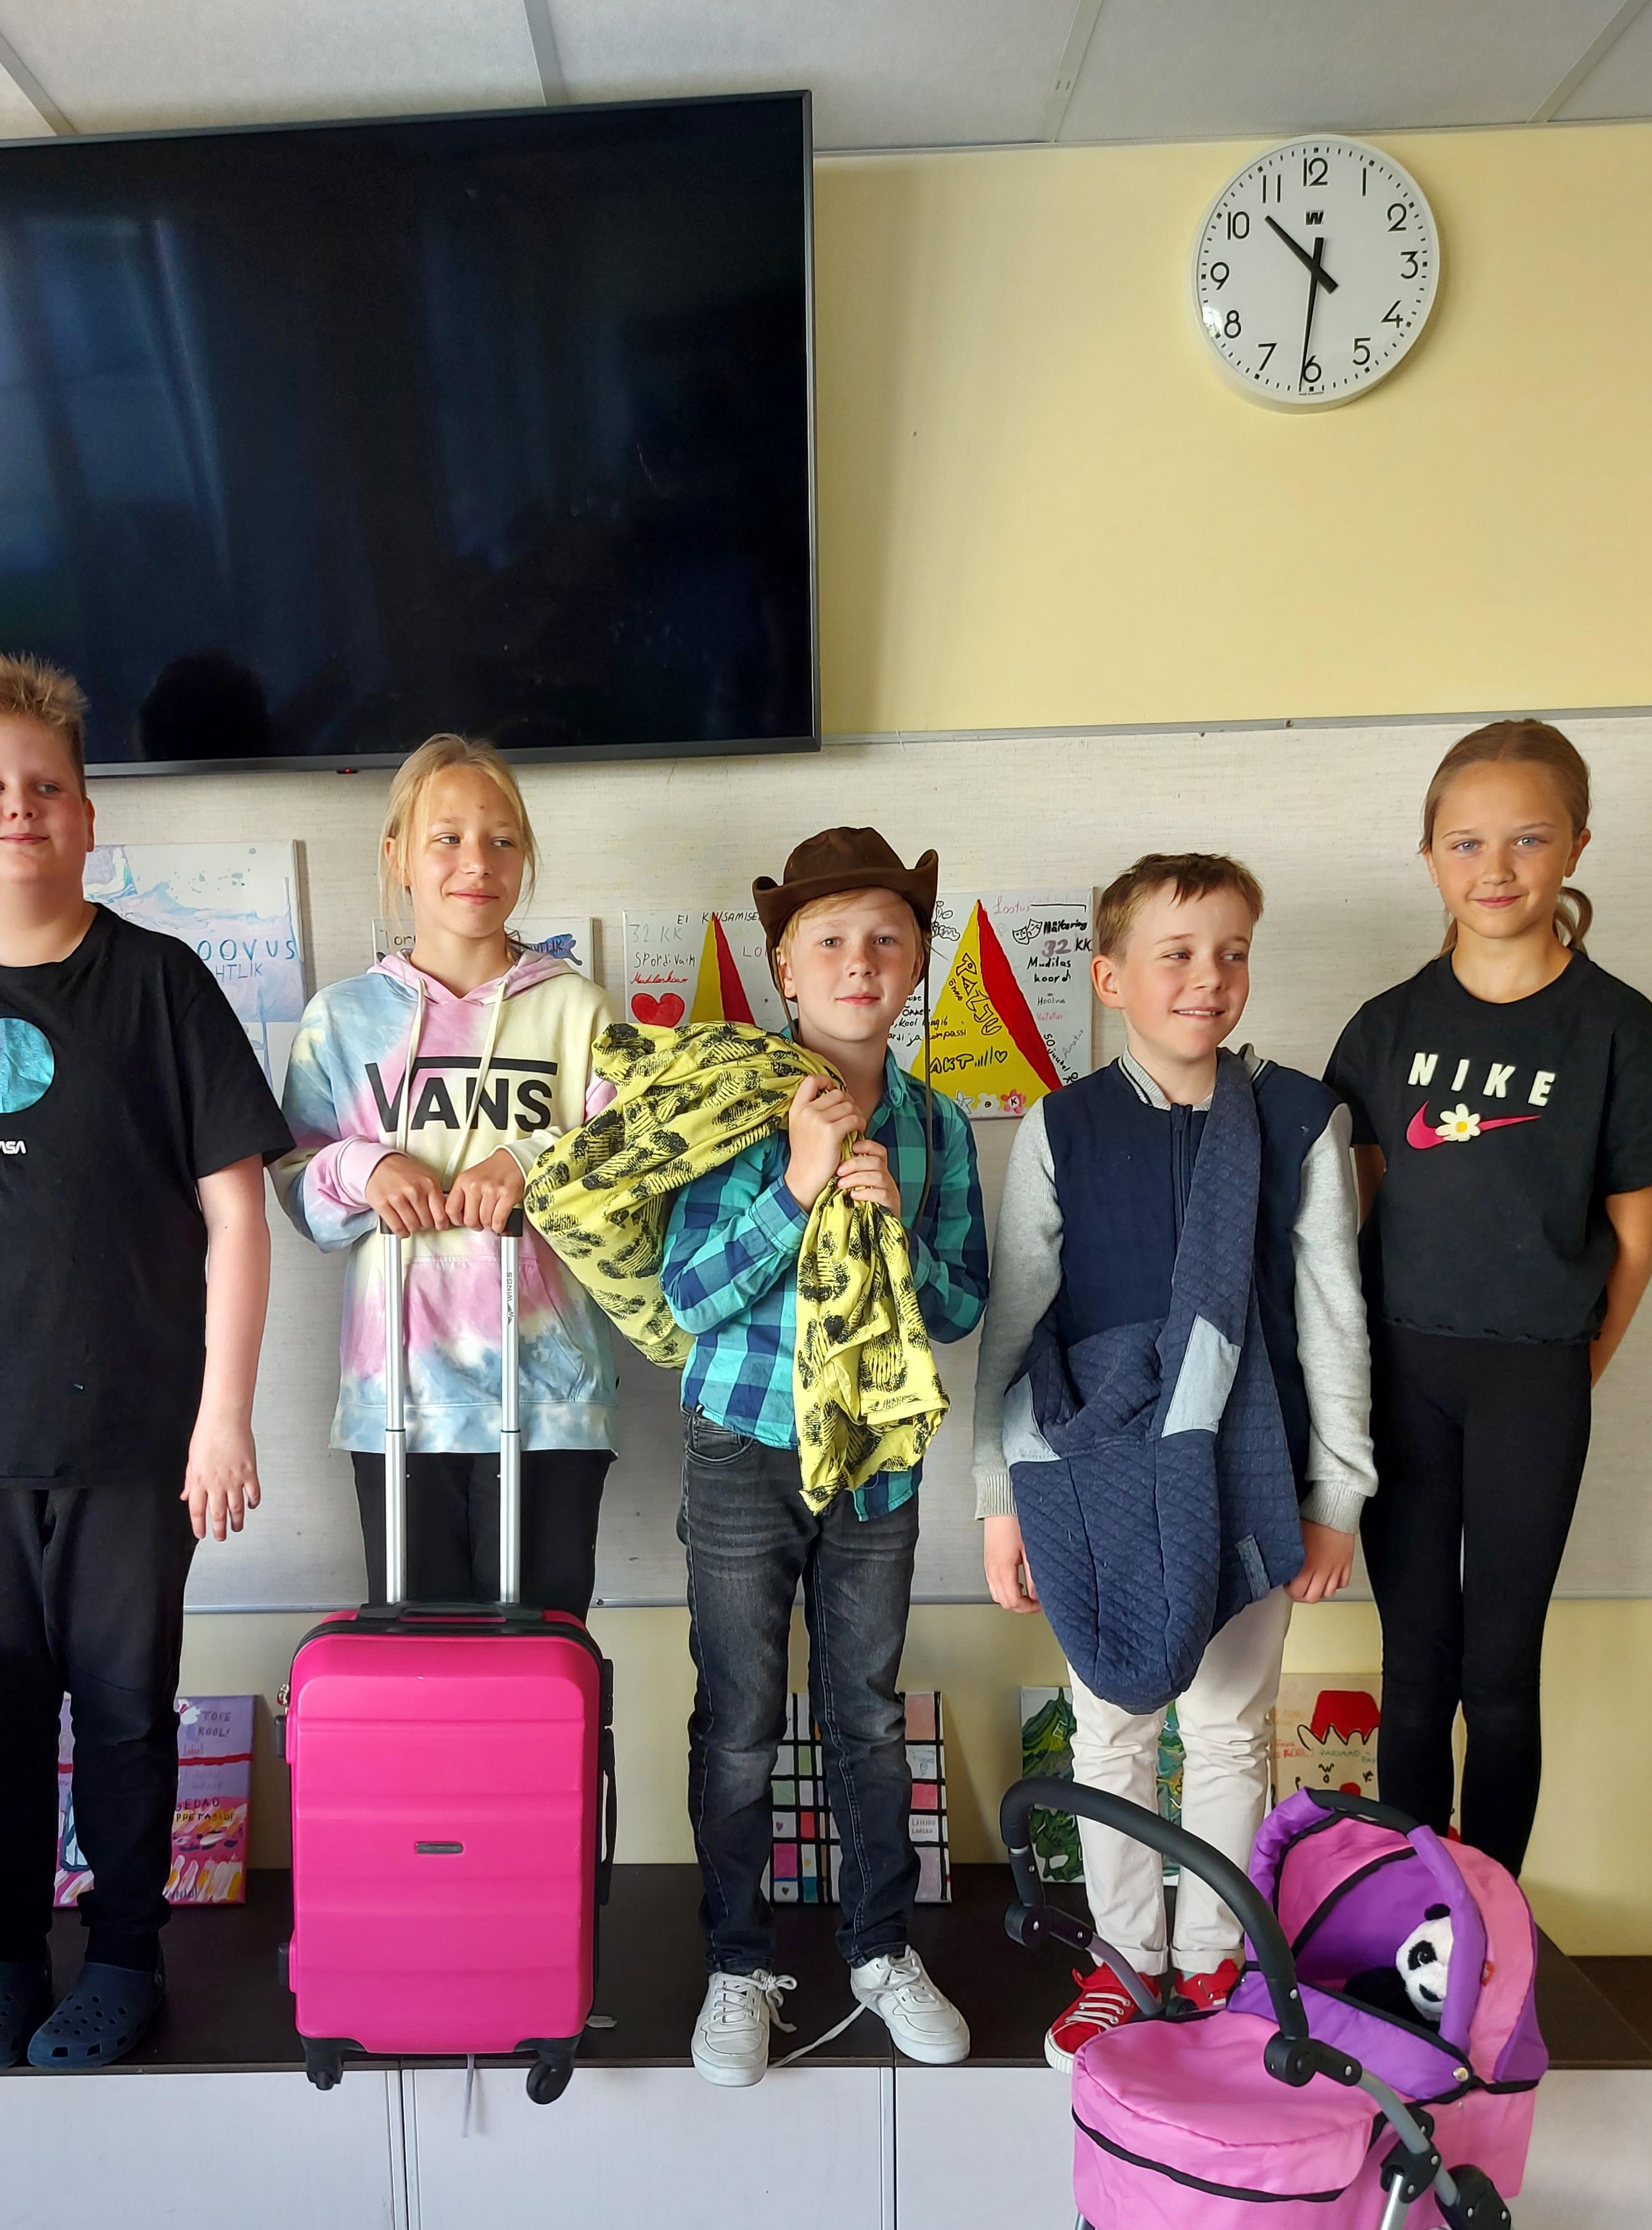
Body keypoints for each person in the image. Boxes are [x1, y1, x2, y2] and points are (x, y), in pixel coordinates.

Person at [0, 652, 291, 2073]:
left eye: (44, 786)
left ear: (87, 814)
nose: (16, 807)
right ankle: (6, 1958)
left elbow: (237, 1213)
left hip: (135, 1442)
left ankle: (127, 1955)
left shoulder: (162, 986)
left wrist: (223, 1415)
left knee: (128, 1709)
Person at [974, 854, 1374, 2069]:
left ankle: (1211, 1962)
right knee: (1111, 1729)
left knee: (1231, 1726)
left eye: (1232, 952)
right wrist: (1000, 1502)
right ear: (1111, 978)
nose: (1210, 977)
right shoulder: (1064, 1125)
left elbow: (1332, 1314)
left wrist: (1337, 1491)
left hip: (1250, 1465)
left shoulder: (1297, 1117)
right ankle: (1121, 1962)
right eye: (1179, 953)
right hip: (1096, 1474)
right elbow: (1018, 1321)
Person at [1326, 718, 1652, 1880]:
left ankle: (1488, 1926)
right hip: (1402, 1376)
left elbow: (1636, 1238)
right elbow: (1351, 1219)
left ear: (1576, 847)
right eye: (1467, 842)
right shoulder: (1386, 1027)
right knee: (1415, 1669)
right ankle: (1409, 1917)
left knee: (1499, 1672)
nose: (1496, 868)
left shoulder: (1616, 1026)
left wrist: (1573, 1367)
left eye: (1529, 839)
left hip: (1536, 1378)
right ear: (1430, 855)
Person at [661, 828, 988, 2085]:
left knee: (865, 1710)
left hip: (877, 1458)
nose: (862, 962)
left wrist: (901, 1233)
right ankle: (735, 1960)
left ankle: (880, 1948)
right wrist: (794, 1187)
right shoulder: (732, 1105)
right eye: (833, 940)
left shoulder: (936, 1125)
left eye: (888, 939)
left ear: (916, 965)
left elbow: (960, 1304)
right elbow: (688, 1297)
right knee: (740, 1715)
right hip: (743, 1441)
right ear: (785, 969)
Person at [275, 735, 617, 1616]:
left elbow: (628, 1172)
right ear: (398, 857)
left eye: (503, 841)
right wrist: (366, 1166)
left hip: (549, 1399)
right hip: (397, 1399)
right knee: (418, 1666)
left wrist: (530, 1160)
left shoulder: (577, 1010)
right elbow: (299, 1188)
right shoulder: (341, 1020)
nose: (478, 862)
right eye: (448, 838)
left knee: (541, 1656)